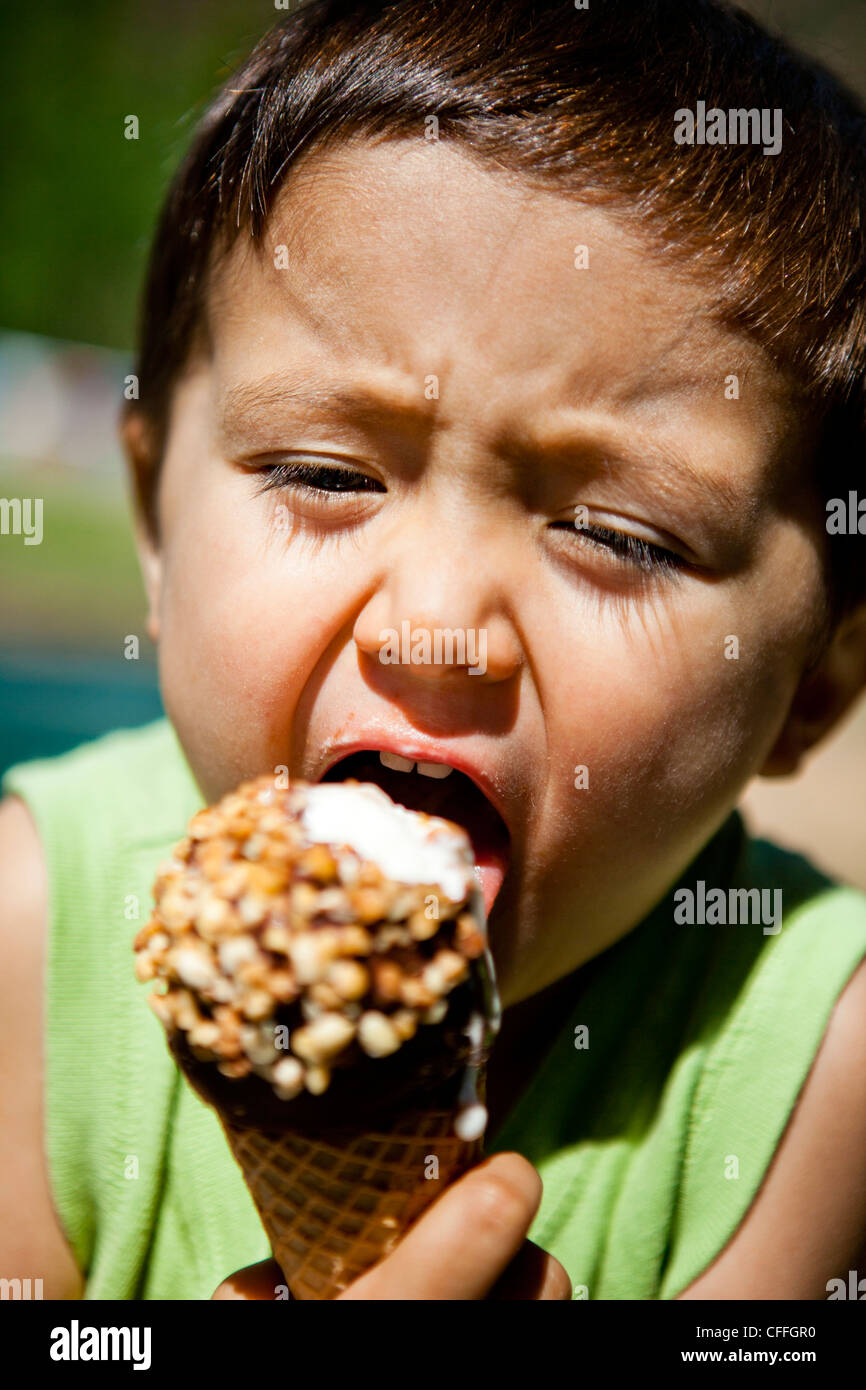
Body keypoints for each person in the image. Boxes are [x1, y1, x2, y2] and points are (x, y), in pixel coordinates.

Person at [2, 0, 866, 1301]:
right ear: (154, 529)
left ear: (811, 688)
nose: (434, 625)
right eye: (319, 470)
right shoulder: (28, 936)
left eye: (617, 533)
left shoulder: (810, 1069)